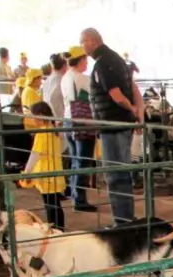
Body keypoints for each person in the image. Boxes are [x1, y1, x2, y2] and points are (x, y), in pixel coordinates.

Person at [81, 27, 140, 223]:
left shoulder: (104, 63)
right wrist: (136, 112)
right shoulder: (115, 60)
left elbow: (116, 94)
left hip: (112, 125)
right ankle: (125, 217)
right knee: (120, 172)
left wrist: (131, 108)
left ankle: (122, 220)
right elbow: (132, 87)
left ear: (92, 41)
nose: (83, 48)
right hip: (118, 124)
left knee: (116, 174)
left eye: (83, 42)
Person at [20, 101, 67, 230]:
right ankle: (59, 228)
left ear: (41, 115)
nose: (33, 120)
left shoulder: (42, 133)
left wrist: (27, 172)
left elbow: (35, 154)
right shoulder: (55, 130)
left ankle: (56, 229)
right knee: (55, 204)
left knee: (50, 205)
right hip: (55, 171)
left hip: (46, 174)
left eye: (34, 116)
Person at [61, 45, 97, 212]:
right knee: (83, 161)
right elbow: (94, 96)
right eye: (85, 60)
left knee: (76, 160)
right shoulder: (81, 78)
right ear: (80, 60)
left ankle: (75, 194)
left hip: (68, 120)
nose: (87, 63)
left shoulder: (65, 77)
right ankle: (80, 199)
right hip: (82, 122)